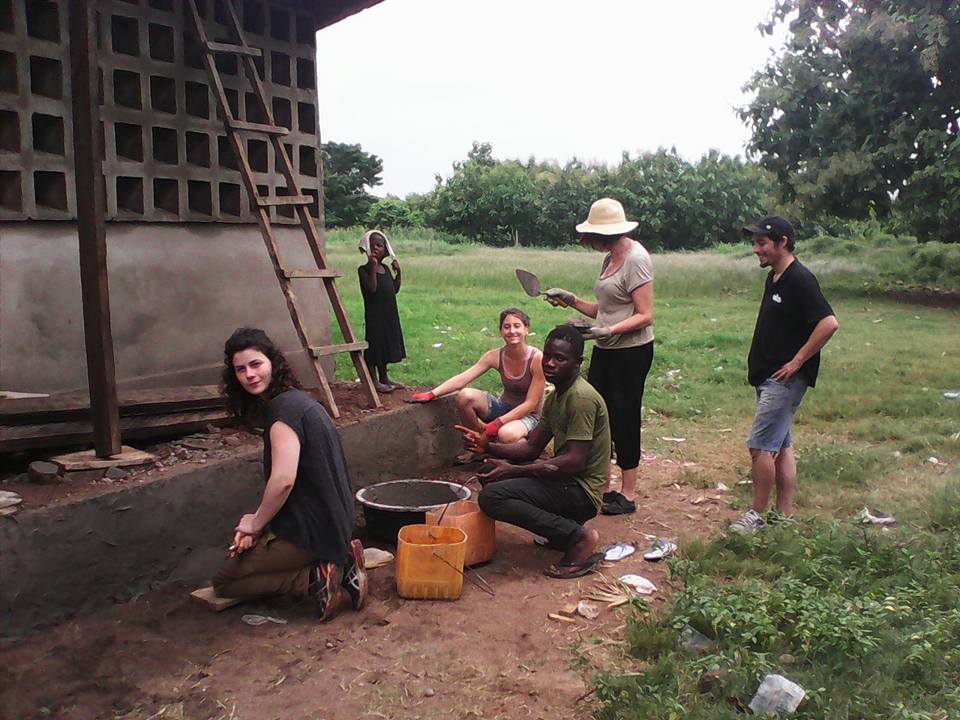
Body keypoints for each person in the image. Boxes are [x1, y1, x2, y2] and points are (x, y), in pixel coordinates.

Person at [212, 327, 368, 621]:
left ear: (272, 362)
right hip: (337, 522)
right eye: (240, 369)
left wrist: (254, 525)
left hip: (311, 532)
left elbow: (283, 481)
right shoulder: (301, 401)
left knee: (225, 580)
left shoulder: (283, 414)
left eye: (256, 364)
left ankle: (314, 578)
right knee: (250, 550)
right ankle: (340, 560)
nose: (249, 375)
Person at [458, 324, 611, 579]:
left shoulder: (581, 398)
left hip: (581, 492)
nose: (550, 363)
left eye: (560, 359)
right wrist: (488, 447)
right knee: (489, 472)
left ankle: (579, 538)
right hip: (566, 482)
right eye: (548, 356)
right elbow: (531, 448)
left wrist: (515, 470)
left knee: (492, 498)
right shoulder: (555, 397)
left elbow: (574, 461)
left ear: (578, 362)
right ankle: (561, 531)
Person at [543, 198, 654, 516]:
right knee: (599, 414)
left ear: (609, 233)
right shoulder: (609, 259)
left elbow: (645, 315)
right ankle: (600, 485)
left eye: (592, 234)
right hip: (605, 348)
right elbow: (603, 310)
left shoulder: (636, 259)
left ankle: (628, 492)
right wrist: (571, 300)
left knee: (624, 415)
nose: (587, 240)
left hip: (631, 351)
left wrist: (610, 330)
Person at [730, 215, 839, 534]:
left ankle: (756, 514)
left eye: (762, 243)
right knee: (781, 446)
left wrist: (797, 361)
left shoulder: (800, 279)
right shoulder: (775, 277)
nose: (756, 250)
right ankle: (784, 514)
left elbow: (828, 323)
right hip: (767, 376)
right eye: (754, 243)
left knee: (760, 447)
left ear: (783, 242)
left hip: (783, 379)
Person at [406, 308, 545, 452]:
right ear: (501, 331)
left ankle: (524, 449)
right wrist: (432, 394)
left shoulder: (537, 359)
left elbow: (530, 404)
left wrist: (495, 425)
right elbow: (463, 378)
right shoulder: (494, 356)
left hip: (529, 416)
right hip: (504, 408)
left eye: (517, 326)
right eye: (506, 326)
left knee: (506, 434)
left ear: (526, 329)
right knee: (466, 396)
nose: (512, 331)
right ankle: (476, 447)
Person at [358, 230, 405, 393]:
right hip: (374, 316)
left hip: (389, 315)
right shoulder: (363, 270)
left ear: (385, 250)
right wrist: (372, 268)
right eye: (372, 245)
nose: (376, 248)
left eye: (379, 245)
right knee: (374, 346)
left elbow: (394, 289)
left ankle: (384, 377)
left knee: (384, 345)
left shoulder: (385, 268)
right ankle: (373, 381)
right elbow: (372, 288)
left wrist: (398, 273)